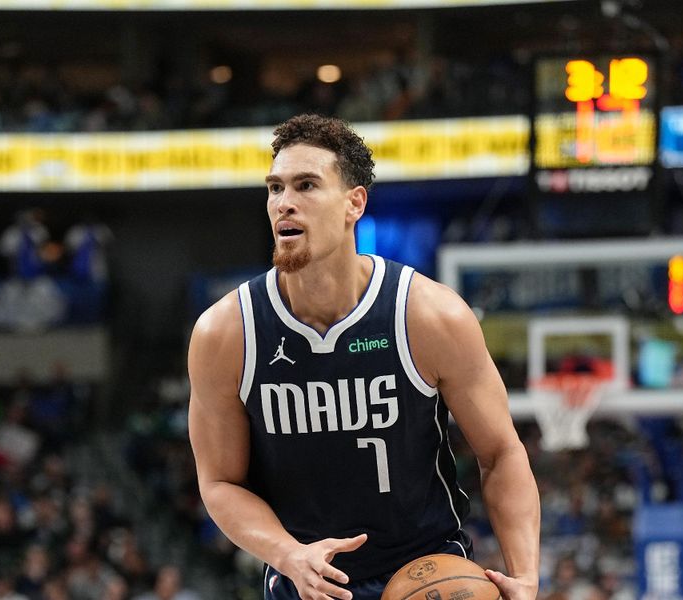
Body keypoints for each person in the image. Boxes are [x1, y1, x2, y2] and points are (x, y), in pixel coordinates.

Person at [187, 114, 540, 600]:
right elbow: (221, 483)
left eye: (306, 185)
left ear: (355, 203)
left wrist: (525, 575)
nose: (284, 203)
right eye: (274, 188)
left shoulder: (428, 316)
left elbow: (501, 453)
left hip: (427, 576)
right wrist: (288, 554)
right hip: (307, 582)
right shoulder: (226, 333)